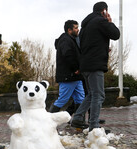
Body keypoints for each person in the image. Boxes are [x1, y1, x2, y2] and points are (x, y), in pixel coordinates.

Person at [71, 2, 120, 132]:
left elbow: (84, 45)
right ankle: (93, 126)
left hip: (86, 65)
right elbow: (116, 34)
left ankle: (78, 117)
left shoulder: (85, 26)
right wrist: (109, 22)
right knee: (99, 95)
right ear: (104, 11)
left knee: (92, 94)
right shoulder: (100, 21)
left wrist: (102, 49)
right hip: (95, 65)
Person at [49, 20, 85, 122]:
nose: (78, 30)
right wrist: (75, 69)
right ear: (69, 30)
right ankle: (47, 121)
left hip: (75, 77)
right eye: (76, 28)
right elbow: (67, 55)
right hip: (68, 76)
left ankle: (78, 121)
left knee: (80, 99)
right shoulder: (65, 40)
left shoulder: (71, 39)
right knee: (62, 99)